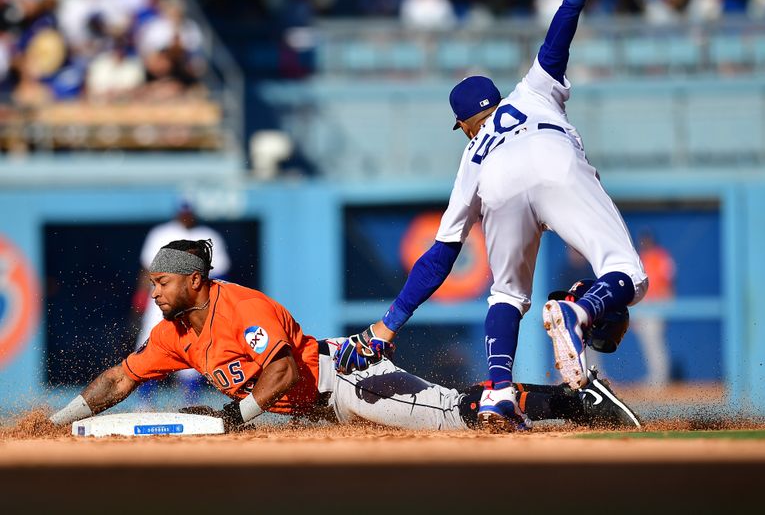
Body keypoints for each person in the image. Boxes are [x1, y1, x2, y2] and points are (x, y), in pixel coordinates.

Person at [336, 0, 648, 432]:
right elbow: (559, 34)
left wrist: (388, 326)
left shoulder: (472, 156)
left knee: (507, 294)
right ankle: (578, 312)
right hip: (553, 158)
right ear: (497, 102)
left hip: (497, 181)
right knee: (627, 273)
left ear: (464, 124)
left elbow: (440, 257)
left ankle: (499, 392)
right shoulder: (531, 92)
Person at [48, 239, 641, 432]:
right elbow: (119, 378)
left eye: (161, 282)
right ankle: (567, 402)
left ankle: (575, 402)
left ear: (194, 281)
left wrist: (234, 420)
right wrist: (58, 419)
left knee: (462, 414)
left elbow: (280, 373)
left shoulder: (242, 308)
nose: (152, 291)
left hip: (349, 382)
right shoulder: (173, 332)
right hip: (312, 407)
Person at [131, 201, 230, 401]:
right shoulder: (161, 233)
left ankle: (190, 403)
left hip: (192, 302)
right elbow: (146, 270)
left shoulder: (209, 235)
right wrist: (140, 297)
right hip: (162, 299)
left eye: (189, 212)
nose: (185, 216)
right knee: (147, 346)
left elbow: (219, 273)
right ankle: (144, 405)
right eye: (182, 212)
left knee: (193, 348)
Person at [632, 230, 675, 386]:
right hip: (643, 304)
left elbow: (669, 282)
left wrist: (666, 306)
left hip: (657, 303)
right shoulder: (640, 258)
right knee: (648, 342)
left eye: (647, 240)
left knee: (655, 341)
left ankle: (661, 378)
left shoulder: (661, 256)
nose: (645, 243)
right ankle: (656, 376)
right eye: (643, 241)